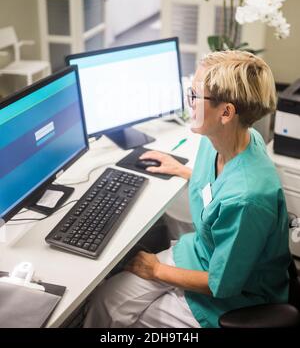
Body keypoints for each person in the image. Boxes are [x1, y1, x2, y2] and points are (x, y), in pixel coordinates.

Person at [84, 50, 290, 329]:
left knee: (125, 317)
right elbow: (223, 185)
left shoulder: (247, 198)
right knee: (107, 298)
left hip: (234, 298)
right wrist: (183, 170)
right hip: (198, 254)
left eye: (195, 96)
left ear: (226, 112)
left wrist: (156, 270)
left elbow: (223, 284)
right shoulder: (229, 138)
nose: (188, 103)